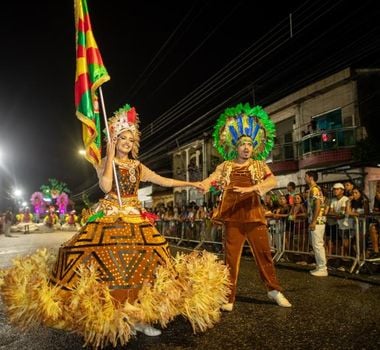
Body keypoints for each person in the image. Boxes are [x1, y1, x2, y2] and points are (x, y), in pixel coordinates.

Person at [0, 104, 229, 348]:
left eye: (131, 138)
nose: (127, 142)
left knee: (146, 266)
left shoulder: (138, 167)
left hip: (135, 218)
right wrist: (109, 157)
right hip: (109, 216)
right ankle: (108, 316)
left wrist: (192, 184)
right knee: (110, 268)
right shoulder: (104, 163)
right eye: (122, 137)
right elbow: (107, 187)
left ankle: (142, 316)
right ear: (114, 139)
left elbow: (164, 179)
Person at [199, 103, 292, 311]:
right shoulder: (226, 166)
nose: (247, 148)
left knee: (264, 254)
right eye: (243, 144)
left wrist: (253, 189)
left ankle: (274, 290)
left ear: (254, 145)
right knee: (231, 258)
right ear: (236, 146)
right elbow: (212, 179)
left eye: (250, 144)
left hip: (254, 215)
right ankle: (228, 296)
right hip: (232, 217)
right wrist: (203, 185)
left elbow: (272, 182)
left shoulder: (259, 165)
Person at [304, 170, 328, 277]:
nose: (305, 179)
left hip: (317, 221)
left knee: (318, 245)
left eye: (306, 177)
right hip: (316, 221)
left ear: (311, 178)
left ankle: (323, 268)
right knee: (316, 244)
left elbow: (318, 205)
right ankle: (320, 266)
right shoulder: (314, 189)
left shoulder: (314, 189)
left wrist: (313, 221)